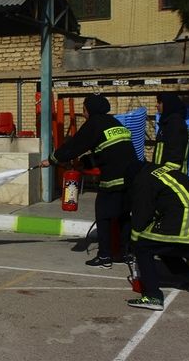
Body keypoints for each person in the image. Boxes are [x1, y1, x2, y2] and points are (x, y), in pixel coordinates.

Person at [41, 94, 138, 269]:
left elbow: (74, 145)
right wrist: (84, 163)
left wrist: (52, 160)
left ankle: (105, 257)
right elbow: (106, 151)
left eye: (84, 109)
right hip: (132, 178)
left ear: (90, 110)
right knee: (124, 216)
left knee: (103, 216)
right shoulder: (115, 123)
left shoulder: (94, 124)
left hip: (113, 178)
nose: (83, 113)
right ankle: (127, 253)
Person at [125, 161, 189, 311]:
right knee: (162, 244)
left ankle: (153, 296)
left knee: (143, 246)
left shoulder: (143, 180)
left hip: (187, 217)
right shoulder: (161, 171)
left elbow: (141, 216)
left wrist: (132, 242)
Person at [153, 93, 189, 173]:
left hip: (170, 178)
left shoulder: (175, 123)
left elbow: (175, 156)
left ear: (167, 104)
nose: (156, 105)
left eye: (159, 102)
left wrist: (167, 174)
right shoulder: (167, 122)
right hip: (161, 173)